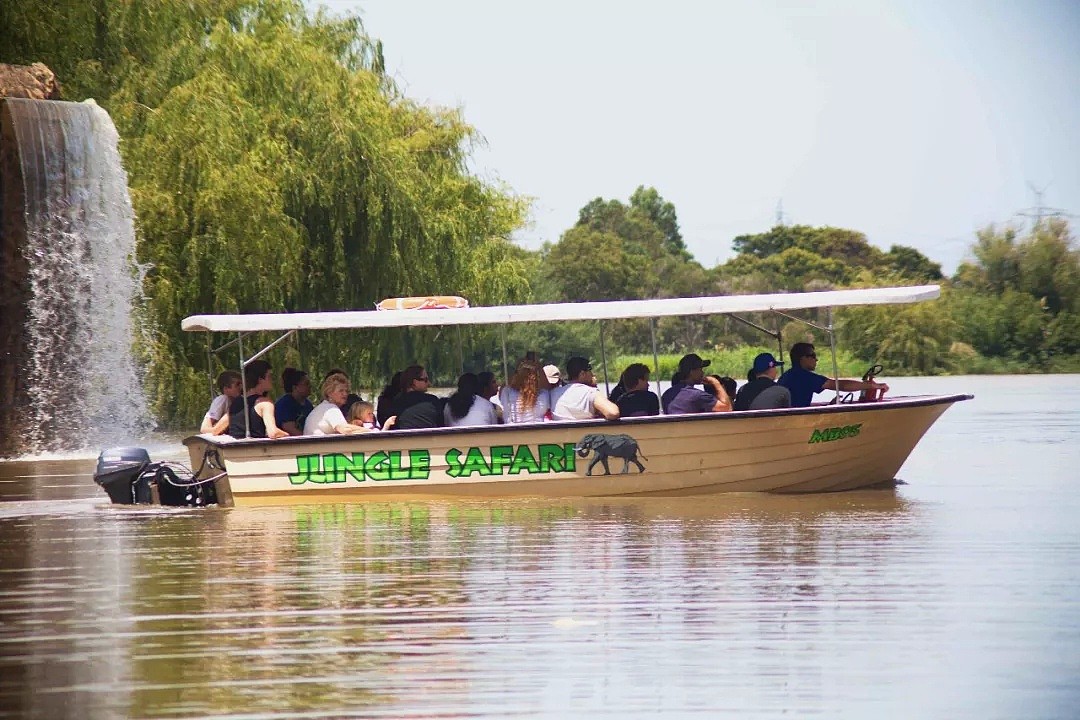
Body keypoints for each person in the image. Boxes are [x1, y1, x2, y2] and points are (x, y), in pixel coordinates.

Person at [778, 342, 889, 408]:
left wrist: (827, 407)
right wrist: (873, 386)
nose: (816, 359)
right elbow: (840, 385)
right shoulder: (804, 376)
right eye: (812, 355)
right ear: (803, 358)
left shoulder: (787, 375)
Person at [227, 360, 289, 439]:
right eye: (269, 376)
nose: (272, 380)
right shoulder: (265, 403)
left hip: (235, 448)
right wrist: (287, 435)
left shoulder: (235, 402)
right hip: (255, 449)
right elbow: (273, 433)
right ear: (260, 379)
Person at [551, 356, 620, 421]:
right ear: (582, 374)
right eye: (590, 371)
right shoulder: (590, 393)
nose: (592, 374)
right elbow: (613, 413)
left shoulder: (554, 393)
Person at [662, 353, 732, 414]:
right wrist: (716, 383)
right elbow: (727, 408)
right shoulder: (698, 395)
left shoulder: (666, 394)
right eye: (700, 369)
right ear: (692, 372)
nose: (702, 373)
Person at [304, 373, 370, 435]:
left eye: (346, 391)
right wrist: (371, 431)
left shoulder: (323, 407)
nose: (345, 394)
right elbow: (345, 430)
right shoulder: (330, 409)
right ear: (329, 393)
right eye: (341, 391)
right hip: (318, 446)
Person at [387, 365, 444, 430]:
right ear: (414, 382)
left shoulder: (395, 403)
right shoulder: (432, 401)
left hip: (404, 439)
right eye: (425, 380)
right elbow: (441, 426)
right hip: (430, 439)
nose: (428, 383)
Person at [499, 358, 551, 424]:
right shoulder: (542, 396)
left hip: (513, 431)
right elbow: (547, 387)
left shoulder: (507, 392)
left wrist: (517, 369)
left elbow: (504, 385)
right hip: (536, 432)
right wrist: (539, 368)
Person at [200, 370, 242, 435]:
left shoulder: (238, 400)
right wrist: (217, 430)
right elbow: (204, 429)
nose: (241, 387)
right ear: (226, 389)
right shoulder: (222, 400)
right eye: (237, 384)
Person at [274, 368, 313, 436]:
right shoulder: (285, 404)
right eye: (306, 384)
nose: (310, 386)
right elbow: (289, 428)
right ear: (295, 387)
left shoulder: (308, 404)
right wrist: (309, 440)